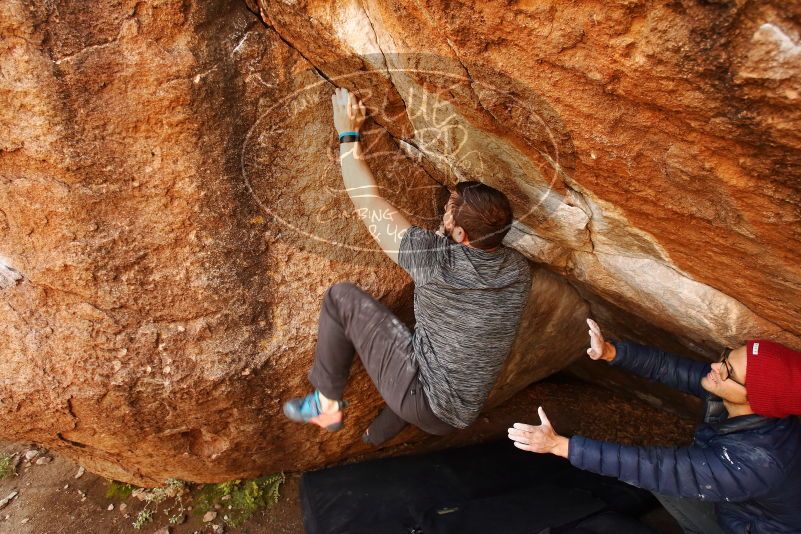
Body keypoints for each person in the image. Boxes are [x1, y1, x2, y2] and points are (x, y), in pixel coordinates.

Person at [282, 87, 532, 445]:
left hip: (423, 398)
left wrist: (347, 132)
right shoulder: (518, 272)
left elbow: (366, 201)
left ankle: (325, 402)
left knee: (341, 299)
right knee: (427, 339)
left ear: (461, 234)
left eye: (450, 206)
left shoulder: (434, 262)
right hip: (463, 410)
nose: (446, 206)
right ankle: (376, 435)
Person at [508, 318, 801, 533]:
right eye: (725, 356)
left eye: (727, 369)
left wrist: (560, 445)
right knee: (661, 480)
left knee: (656, 477)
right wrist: (612, 352)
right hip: (740, 504)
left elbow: (660, 468)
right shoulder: (750, 405)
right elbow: (679, 371)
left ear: (756, 399)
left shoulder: (755, 463)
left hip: (746, 527)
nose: (715, 365)